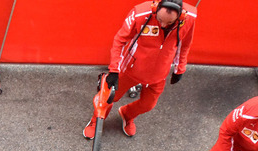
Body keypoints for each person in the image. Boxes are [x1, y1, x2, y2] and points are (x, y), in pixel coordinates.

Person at [83, 0, 197, 139]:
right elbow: (120, 41)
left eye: (169, 23)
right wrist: (114, 70)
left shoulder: (190, 18)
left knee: (147, 105)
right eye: (160, 20)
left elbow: (184, 45)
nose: (162, 25)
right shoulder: (139, 14)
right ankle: (95, 121)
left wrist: (180, 69)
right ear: (155, 8)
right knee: (106, 98)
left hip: (159, 74)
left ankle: (126, 114)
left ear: (181, 16)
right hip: (131, 69)